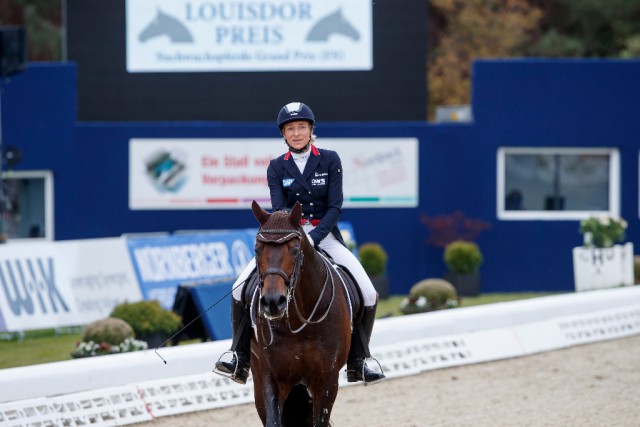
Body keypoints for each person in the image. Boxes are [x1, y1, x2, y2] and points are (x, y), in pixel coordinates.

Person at [215, 102, 385, 385]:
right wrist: (297, 239)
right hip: (287, 238)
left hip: (324, 235)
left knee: (367, 293)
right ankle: (238, 357)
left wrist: (313, 239)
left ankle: (360, 359)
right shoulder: (276, 166)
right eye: (290, 129)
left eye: (301, 127)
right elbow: (280, 210)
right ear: (284, 133)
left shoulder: (330, 159)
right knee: (238, 289)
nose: (296, 133)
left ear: (311, 130)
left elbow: (335, 207)